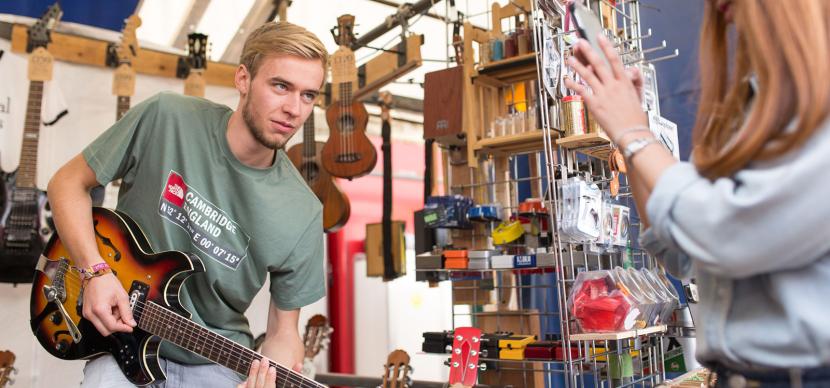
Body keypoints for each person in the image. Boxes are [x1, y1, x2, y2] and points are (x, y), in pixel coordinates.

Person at [46, 21, 328, 388]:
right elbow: (66, 183)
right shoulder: (167, 117)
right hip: (122, 341)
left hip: (214, 360)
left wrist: (270, 376)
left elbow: (283, 332)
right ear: (243, 79)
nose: (294, 108)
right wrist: (95, 272)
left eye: (308, 95)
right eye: (280, 86)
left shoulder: (303, 212)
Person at [564, 0, 830, 386]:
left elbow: (726, 234)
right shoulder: (759, 105)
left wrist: (637, 136)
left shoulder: (816, 105)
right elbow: (682, 253)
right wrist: (631, 141)